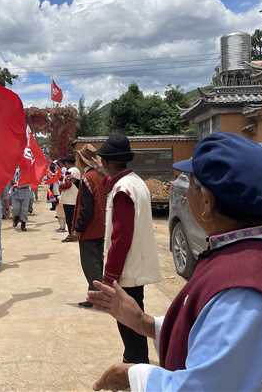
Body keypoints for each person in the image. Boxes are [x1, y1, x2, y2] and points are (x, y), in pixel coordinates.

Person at [88, 132, 262, 392]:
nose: (186, 194)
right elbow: (207, 331)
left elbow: (203, 386)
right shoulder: (253, 250)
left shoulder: (245, 294)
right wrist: (144, 322)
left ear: (206, 201)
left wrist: (132, 376)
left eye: (190, 183)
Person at [88, 134, 161, 362]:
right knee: (133, 316)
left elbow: (120, 238)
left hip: (126, 270)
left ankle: (135, 363)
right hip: (135, 266)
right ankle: (135, 359)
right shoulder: (133, 181)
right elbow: (113, 183)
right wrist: (103, 173)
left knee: (129, 321)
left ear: (108, 162)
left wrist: (110, 278)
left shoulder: (122, 189)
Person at [70, 145, 107, 307]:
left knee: (90, 264)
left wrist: (78, 228)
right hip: (102, 225)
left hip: (90, 228)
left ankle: (96, 297)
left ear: (81, 160)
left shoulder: (88, 178)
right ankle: (102, 293)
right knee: (99, 261)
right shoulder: (100, 176)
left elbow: (86, 208)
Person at [57, 167, 80, 234]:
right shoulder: (77, 171)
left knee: (69, 220)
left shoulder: (70, 171)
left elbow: (68, 185)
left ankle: (71, 234)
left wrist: (60, 186)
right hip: (74, 199)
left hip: (68, 200)